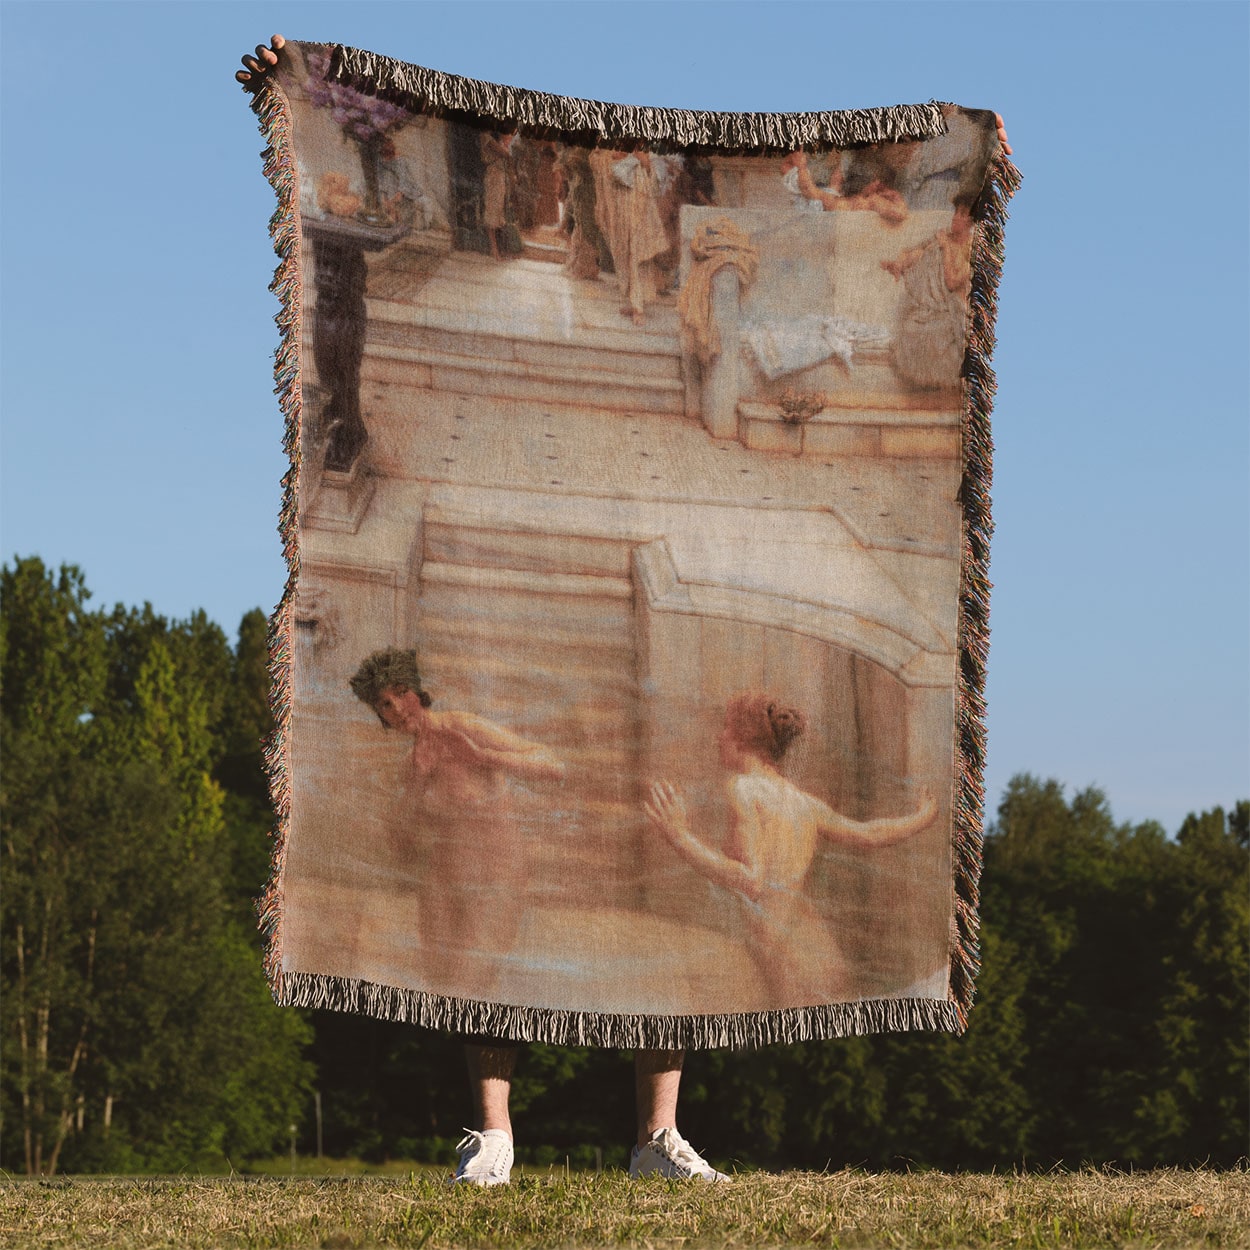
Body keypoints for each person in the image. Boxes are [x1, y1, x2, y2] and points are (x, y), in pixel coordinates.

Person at [645, 693, 938, 1005]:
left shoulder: (743, 788)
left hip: (780, 952)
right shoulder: (802, 802)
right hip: (817, 950)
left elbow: (750, 880)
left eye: (727, 728)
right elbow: (869, 834)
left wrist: (679, 837)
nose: (720, 737)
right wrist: (922, 818)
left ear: (744, 738)